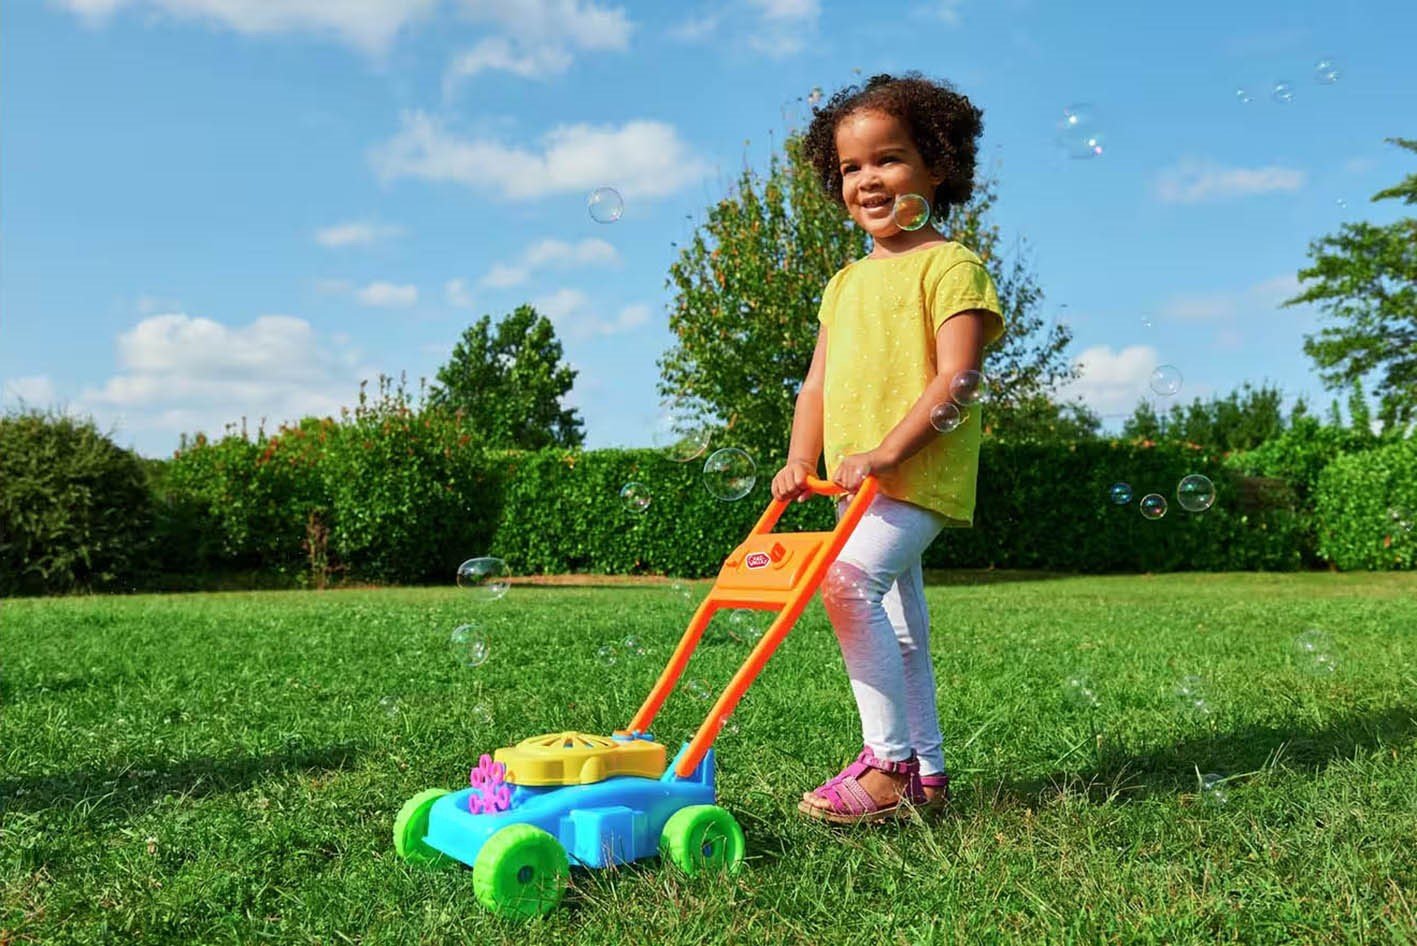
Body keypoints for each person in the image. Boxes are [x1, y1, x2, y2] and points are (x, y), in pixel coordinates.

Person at [770, 72, 1005, 824]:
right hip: (857, 487)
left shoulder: (951, 265)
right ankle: (928, 775)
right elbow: (816, 386)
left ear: (937, 165)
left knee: (844, 584)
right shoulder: (841, 285)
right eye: (850, 167)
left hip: (917, 474)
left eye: (889, 159)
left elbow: (957, 377)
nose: (868, 179)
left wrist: (884, 451)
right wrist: (800, 460)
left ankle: (887, 764)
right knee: (902, 626)